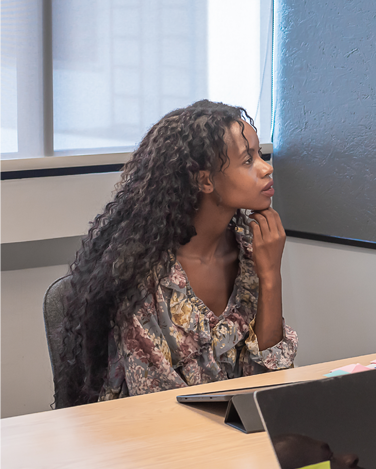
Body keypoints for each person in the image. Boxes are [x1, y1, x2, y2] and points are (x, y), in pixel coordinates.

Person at [54, 101, 297, 407]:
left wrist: (270, 275)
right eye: (248, 160)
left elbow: (269, 381)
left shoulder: (253, 251)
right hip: (157, 439)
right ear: (205, 180)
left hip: (236, 435)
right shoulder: (142, 275)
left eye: (260, 155)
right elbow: (161, 406)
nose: (266, 167)